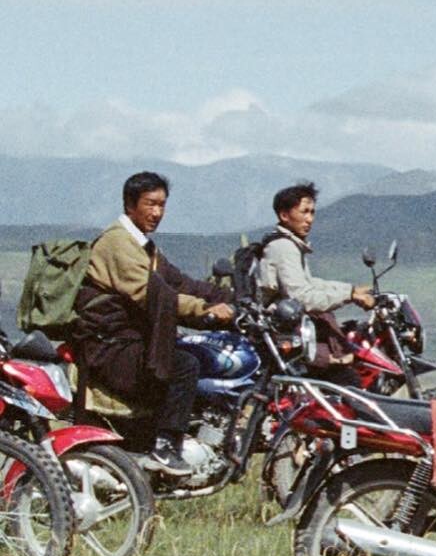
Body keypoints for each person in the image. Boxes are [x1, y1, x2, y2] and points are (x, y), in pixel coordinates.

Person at [71, 171, 235, 473]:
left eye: (162, 205)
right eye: (150, 204)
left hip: (129, 342)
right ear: (129, 204)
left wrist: (231, 297)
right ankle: (165, 447)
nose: (157, 212)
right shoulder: (116, 243)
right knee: (184, 365)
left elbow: (180, 283)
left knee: (194, 354)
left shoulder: (145, 247)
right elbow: (149, 294)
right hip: (109, 347)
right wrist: (204, 309)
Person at [258, 182, 375, 319]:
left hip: (291, 320)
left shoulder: (289, 244)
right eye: (304, 212)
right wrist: (349, 296)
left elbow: (309, 283)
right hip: (283, 324)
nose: (310, 219)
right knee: (330, 324)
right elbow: (301, 298)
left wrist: (351, 289)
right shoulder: (283, 247)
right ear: (284, 215)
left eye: (312, 212)